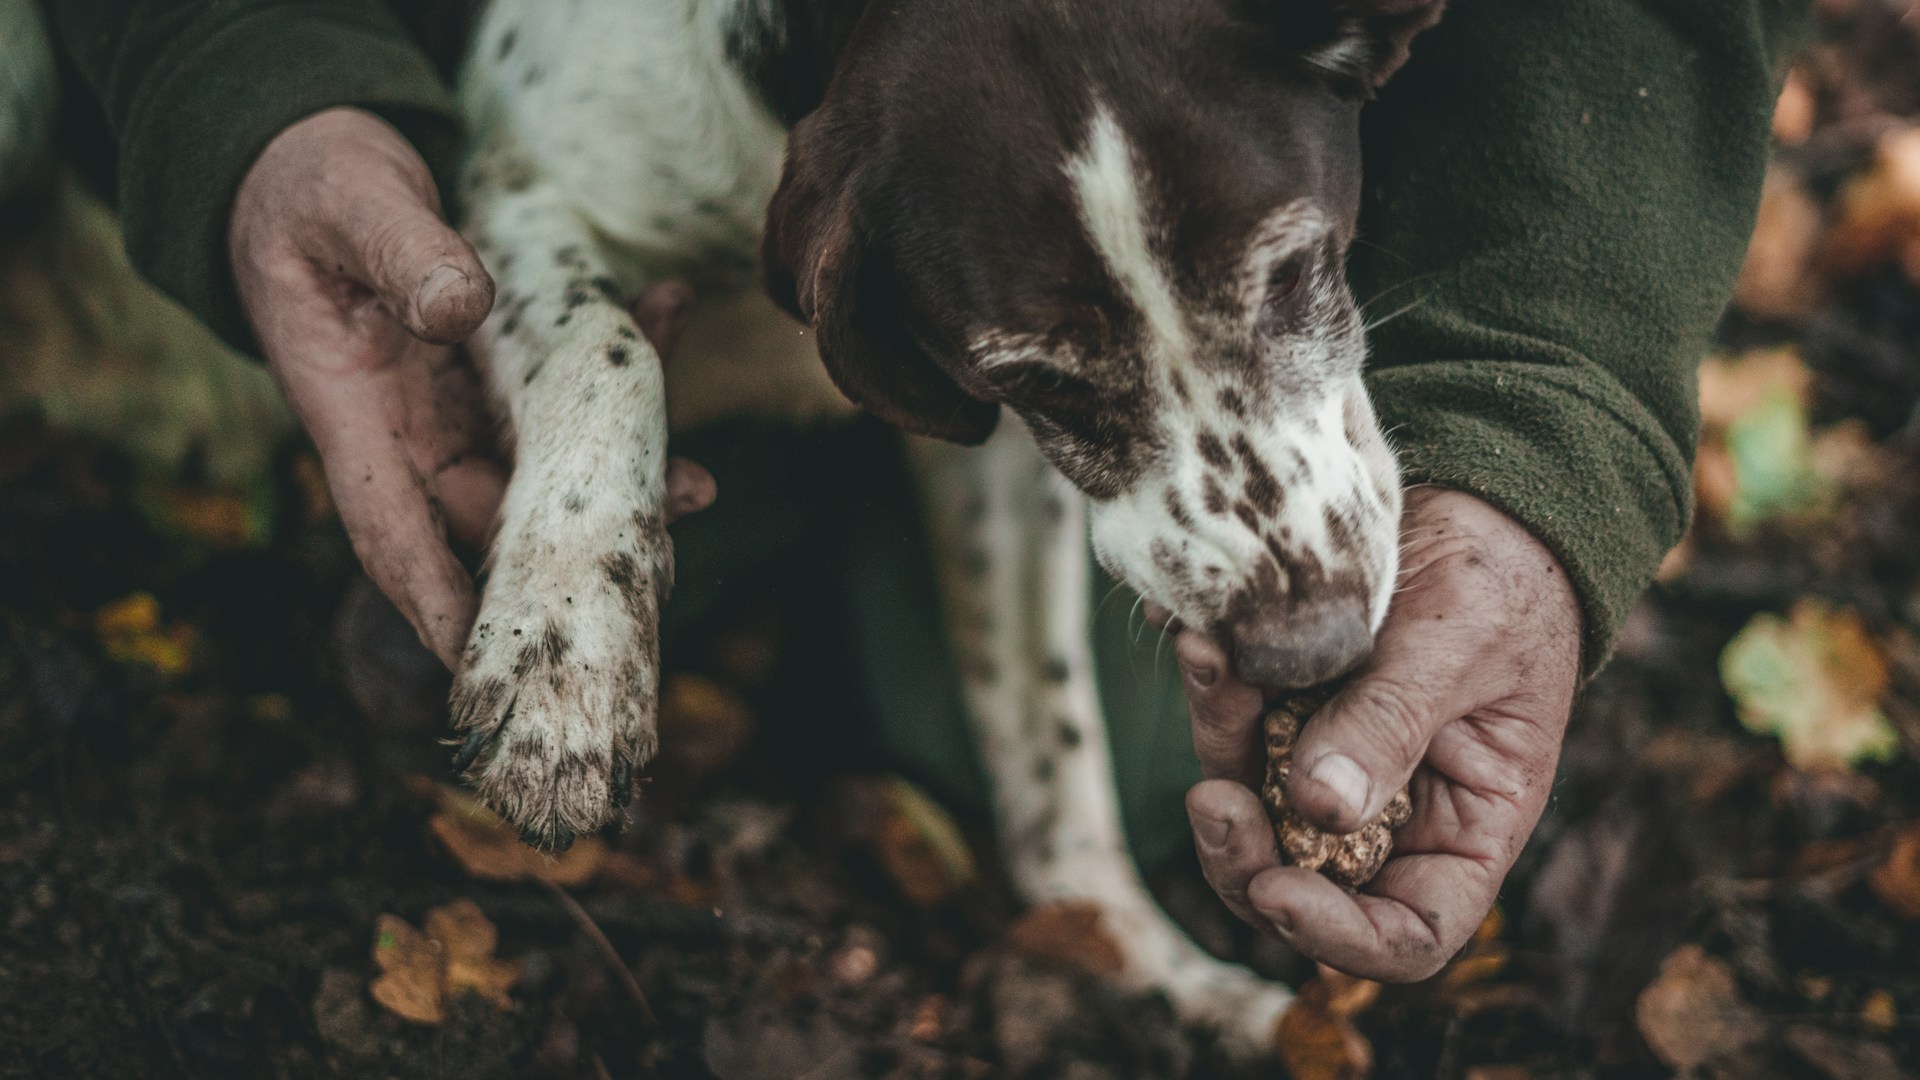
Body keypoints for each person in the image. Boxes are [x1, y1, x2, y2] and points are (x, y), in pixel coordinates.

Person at [40, 0, 1809, 982]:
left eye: (1288, 285)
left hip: (954, 285)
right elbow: (537, 207)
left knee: (1134, 784)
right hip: (606, 171)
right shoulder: (683, 97)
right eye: (1047, 377)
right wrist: (249, 90)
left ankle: (1046, 817)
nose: (1297, 561)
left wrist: (1540, 428)